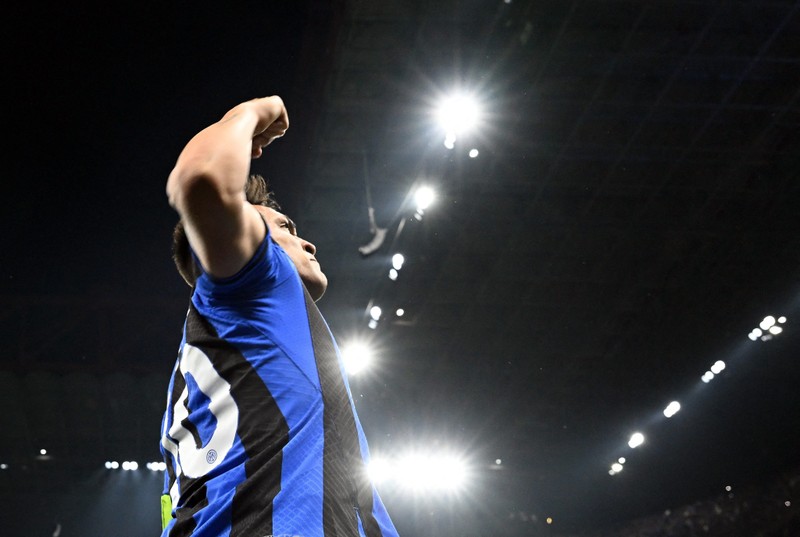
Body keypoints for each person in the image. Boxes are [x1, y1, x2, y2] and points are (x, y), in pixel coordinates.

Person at [159, 95, 400, 537]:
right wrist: (247, 114)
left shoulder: (210, 366)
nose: (308, 243)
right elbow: (199, 178)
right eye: (286, 227)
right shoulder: (258, 284)